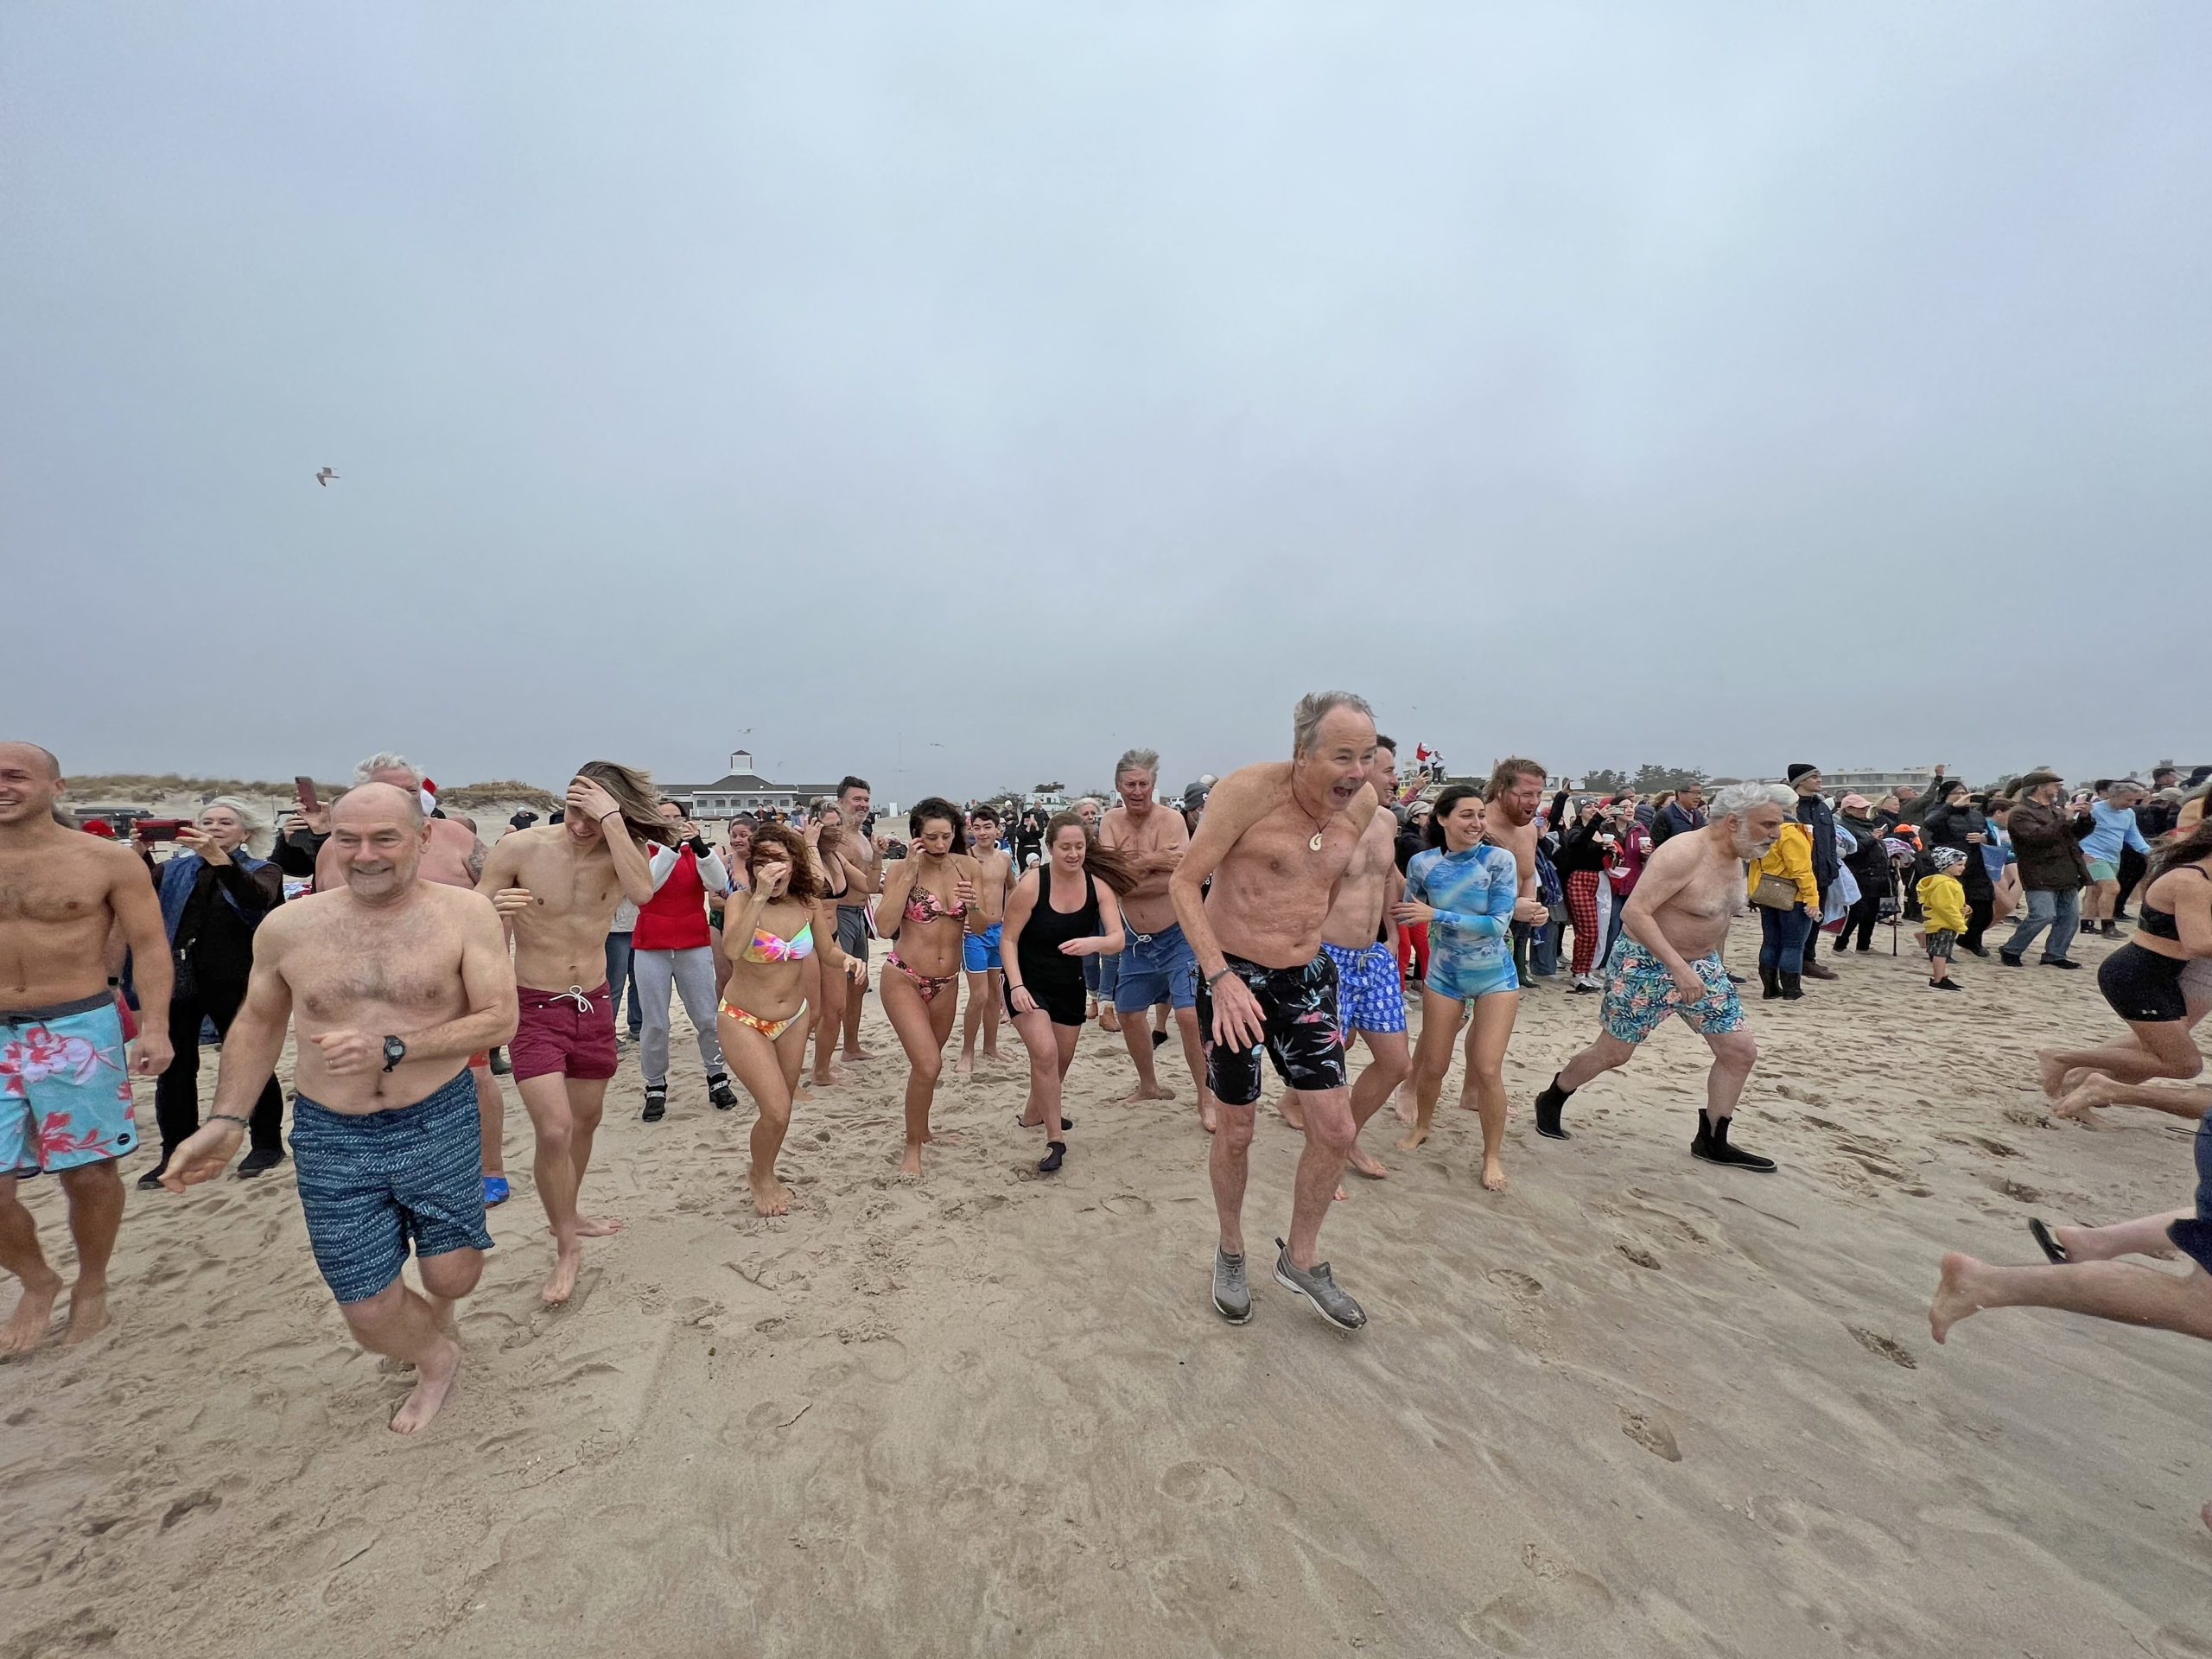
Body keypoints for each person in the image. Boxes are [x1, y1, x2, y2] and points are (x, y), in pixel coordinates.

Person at [159, 781, 516, 1433]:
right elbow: (257, 1023)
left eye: (385, 838)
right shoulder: (291, 926)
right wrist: (226, 1119)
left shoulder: (465, 914)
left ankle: (440, 1314)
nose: (365, 854)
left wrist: (396, 1045)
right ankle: (435, 1358)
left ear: (423, 837)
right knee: (369, 1313)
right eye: (348, 838)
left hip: (437, 1115)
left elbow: (499, 1018)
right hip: (330, 1131)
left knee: (454, 1275)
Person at [1173, 691, 1382, 1332]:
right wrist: (1220, 976)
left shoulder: (1364, 804)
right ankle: (1231, 1250)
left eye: (1368, 757)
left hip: (1307, 979)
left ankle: (1302, 1257)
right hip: (1233, 976)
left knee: (1337, 1130)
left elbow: (1328, 884)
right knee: (1237, 1130)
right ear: (1302, 753)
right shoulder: (1246, 793)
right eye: (1342, 756)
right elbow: (1185, 883)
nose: (1357, 772)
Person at [0, 743, 171, 1354]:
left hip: (76, 1027)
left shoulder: (104, 861)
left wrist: (154, 1027)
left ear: (55, 787)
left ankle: (92, 1285)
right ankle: (37, 1279)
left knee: (90, 1174)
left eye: (14, 776)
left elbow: (150, 947)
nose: (2, 787)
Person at [476, 763, 668, 1303]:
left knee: (586, 1121)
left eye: (596, 813)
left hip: (595, 1002)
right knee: (555, 1129)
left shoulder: (621, 852)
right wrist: (490, 908)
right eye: (576, 808)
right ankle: (566, 1246)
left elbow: (643, 894)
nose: (581, 824)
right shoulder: (521, 847)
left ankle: (570, 1210)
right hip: (534, 1004)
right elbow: (470, 917)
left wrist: (611, 821)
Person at [1531, 783, 1793, 1172]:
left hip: (1703, 967)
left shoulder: (1741, 852)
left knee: (1739, 1051)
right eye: (1769, 823)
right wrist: (1678, 967)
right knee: (1614, 1054)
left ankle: (1712, 1139)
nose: (1776, 833)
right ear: (1734, 821)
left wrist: (1709, 967)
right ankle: (1554, 1095)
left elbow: (1717, 918)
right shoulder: (1684, 852)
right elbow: (1634, 912)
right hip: (1646, 963)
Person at [302, 753, 514, 1205]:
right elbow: (321, 916)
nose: (403, 797)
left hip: (449, 987)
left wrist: (492, 962)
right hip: (366, 988)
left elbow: (497, 894)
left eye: (410, 790)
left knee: (474, 1077)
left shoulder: (455, 837)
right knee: (370, 1077)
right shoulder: (335, 851)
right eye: (391, 789)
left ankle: (490, 1166)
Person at [1393, 785, 1541, 1188]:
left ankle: (1492, 1156)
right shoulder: (1423, 864)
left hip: (1494, 974)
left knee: (1487, 1068)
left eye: (1481, 815)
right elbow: (1409, 911)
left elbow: (1497, 924)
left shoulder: (1498, 860)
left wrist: (1436, 913)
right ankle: (1422, 1125)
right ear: (1442, 819)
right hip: (1443, 974)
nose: (1477, 823)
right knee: (1434, 1063)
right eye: (1467, 815)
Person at [134, 798, 288, 1185]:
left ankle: (266, 1143)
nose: (214, 827)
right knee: (176, 1069)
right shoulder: (172, 870)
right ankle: (175, 1150)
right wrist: (138, 856)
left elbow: (257, 898)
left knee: (249, 1062)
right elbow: (134, 898)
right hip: (180, 978)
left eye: (225, 823)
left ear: (246, 833)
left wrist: (217, 857)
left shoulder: (263, 869)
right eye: (207, 821)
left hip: (237, 980)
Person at [1281, 736, 1411, 1189]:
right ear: (1361, 771)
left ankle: (1345, 1137)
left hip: (1372, 957)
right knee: (1331, 1061)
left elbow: (1387, 878)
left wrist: (1393, 935)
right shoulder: (1326, 822)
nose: (1397, 780)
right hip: (1328, 954)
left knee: (1396, 1063)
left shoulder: (1388, 821)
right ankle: (1328, 1148)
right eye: (1390, 771)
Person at [715, 823, 865, 1215]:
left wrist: (848, 959)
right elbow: (733, 949)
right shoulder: (740, 902)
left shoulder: (807, 904)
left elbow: (827, 950)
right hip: (743, 1018)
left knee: (782, 1110)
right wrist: (760, 896)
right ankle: (760, 1178)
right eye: (760, 860)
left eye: (778, 859)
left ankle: (764, 1169)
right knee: (777, 1108)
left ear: (794, 862)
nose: (769, 868)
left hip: (794, 1018)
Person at [2034, 817, 2212, 1098]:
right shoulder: (2192, 881)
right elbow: (2199, 944)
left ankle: (2077, 1087)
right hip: (2136, 978)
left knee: (2152, 1048)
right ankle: (2062, 1057)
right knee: (2185, 1065)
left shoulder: (2199, 877)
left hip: (2156, 976)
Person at [1001, 812, 1132, 1173]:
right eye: (1065, 848)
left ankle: (1034, 1115)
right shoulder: (1032, 884)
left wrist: (1095, 942)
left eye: (1079, 847)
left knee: (1059, 1062)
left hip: (1069, 986)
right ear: (1050, 848)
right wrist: (1016, 986)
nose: (1073, 854)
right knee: (1044, 1054)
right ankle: (1056, 1140)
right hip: (1028, 982)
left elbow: (1118, 938)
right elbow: (1008, 939)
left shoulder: (1098, 886)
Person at [1099, 749, 1217, 1128]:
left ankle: (1205, 1095)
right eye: (1130, 784)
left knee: (1186, 1015)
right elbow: (1114, 881)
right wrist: (1154, 862)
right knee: (1130, 1013)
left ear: (1154, 784)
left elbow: (1181, 877)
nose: (1137, 791)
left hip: (1178, 931)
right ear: (1118, 786)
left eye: (1144, 784)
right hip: (1134, 937)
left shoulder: (1170, 821)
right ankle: (1149, 1085)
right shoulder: (1110, 822)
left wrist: (1139, 867)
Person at [873, 798, 982, 1176]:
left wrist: (975, 906)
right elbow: (885, 927)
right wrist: (907, 875)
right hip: (904, 975)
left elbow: (982, 928)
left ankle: (923, 1128)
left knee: (928, 1069)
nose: (939, 844)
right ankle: (912, 1146)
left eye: (946, 836)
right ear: (916, 836)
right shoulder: (903, 868)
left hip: (948, 981)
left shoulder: (967, 867)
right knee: (928, 1063)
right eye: (931, 837)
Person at [632, 799, 738, 1122]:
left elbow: (719, 883)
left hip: (693, 943)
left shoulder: (697, 853)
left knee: (707, 1016)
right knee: (655, 1022)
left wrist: (700, 848)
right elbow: (648, 887)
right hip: (652, 945)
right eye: (664, 818)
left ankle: (717, 1076)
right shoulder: (643, 852)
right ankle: (655, 1085)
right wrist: (671, 849)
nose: (671, 822)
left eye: (677, 817)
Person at [1999, 770, 2090, 969]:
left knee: (2070, 917)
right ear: (2040, 787)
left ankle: (2055, 954)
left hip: (2066, 869)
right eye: (2055, 784)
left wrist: (2084, 818)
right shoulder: (2020, 813)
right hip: (2039, 870)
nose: (2059, 787)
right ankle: (2012, 949)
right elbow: (2037, 838)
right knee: (2043, 914)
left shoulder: (2055, 811)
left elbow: (2073, 836)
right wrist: (2065, 819)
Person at [825, 778, 882, 1065]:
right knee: (836, 990)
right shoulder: (835, 838)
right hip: (838, 914)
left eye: (866, 799)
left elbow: (870, 883)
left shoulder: (862, 838)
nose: (862, 805)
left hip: (861, 914)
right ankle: (824, 1060)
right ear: (840, 802)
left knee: (858, 985)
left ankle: (851, 1047)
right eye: (856, 799)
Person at [956, 804, 1013, 1078]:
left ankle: (990, 1047)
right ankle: (967, 1051)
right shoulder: (964, 858)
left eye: (987, 827)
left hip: (998, 930)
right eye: (976, 827)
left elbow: (1012, 886)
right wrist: (960, 918)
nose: (982, 832)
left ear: (997, 829)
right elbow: (950, 890)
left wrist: (1011, 918)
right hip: (974, 934)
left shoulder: (1003, 859)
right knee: (978, 995)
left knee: (993, 995)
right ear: (970, 829)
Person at [1480, 760, 1548, 990]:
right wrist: (1510, 907)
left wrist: (1531, 908)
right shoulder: (1475, 827)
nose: (1535, 802)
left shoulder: (1529, 830)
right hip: (1470, 940)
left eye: (1539, 793)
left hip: (1510, 934)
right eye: (1527, 794)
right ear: (1501, 791)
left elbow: (1527, 874)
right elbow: (1453, 890)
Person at [801, 803, 855, 1087]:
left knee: (836, 1009)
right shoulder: (799, 851)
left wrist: (879, 858)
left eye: (838, 825)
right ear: (814, 825)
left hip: (831, 938)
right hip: (804, 942)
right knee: (811, 1014)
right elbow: (813, 884)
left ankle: (821, 1070)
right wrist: (810, 844)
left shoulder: (836, 857)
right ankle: (784, 1073)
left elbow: (869, 885)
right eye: (828, 825)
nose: (834, 831)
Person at [1748, 807, 1821, 1001]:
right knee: (1793, 944)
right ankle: (1792, 990)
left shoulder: (1759, 831)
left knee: (1770, 942)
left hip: (1766, 892)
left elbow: (1753, 863)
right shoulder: (1790, 833)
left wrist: (1753, 892)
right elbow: (1802, 870)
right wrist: (1812, 899)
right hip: (1793, 895)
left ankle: (1770, 988)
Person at [1921, 780, 1997, 956]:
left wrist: (1985, 839)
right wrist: (1951, 807)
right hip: (1949, 867)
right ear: (1945, 796)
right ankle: (1939, 952)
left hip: (1977, 865)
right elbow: (1930, 825)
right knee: (1948, 910)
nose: (1962, 797)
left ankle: (1969, 940)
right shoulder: (1938, 811)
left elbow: (1992, 836)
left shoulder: (1976, 815)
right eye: (1957, 793)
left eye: (1964, 793)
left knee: (1984, 910)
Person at [1786, 765, 1840, 981]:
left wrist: (1832, 865)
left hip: (1823, 872)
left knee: (1816, 919)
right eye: (1814, 777)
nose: (1819, 780)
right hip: (1797, 875)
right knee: (1796, 921)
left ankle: (1809, 960)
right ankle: (1794, 962)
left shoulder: (1822, 806)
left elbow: (1830, 838)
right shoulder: (1791, 807)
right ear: (1800, 781)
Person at [2081, 779, 2152, 938]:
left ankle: (2087, 923)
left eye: (2135, 800)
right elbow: (2076, 829)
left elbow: (2133, 836)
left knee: (2096, 891)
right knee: (2112, 888)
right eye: (2128, 800)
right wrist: (2080, 851)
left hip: (2113, 856)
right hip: (2093, 855)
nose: (2132, 803)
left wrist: (2149, 851)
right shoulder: (2094, 810)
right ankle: (2108, 926)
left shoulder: (2128, 813)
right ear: (2114, 796)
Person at [1834, 794, 1891, 953]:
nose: (1865, 810)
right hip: (1859, 873)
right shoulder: (1844, 826)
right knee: (1858, 910)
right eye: (1860, 808)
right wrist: (1872, 839)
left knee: (1872, 910)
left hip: (1875, 873)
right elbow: (1851, 851)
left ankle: (1863, 946)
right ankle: (1840, 945)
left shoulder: (1866, 825)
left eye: (1865, 807)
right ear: (1848, 809)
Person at [1917, 848, 1969, 991]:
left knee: (1943, 951)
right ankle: (1938, 979)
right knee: (1941, 952)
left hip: (1945, 922)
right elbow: (1945, 907)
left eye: (1963, 865)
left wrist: (1966, 909)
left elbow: (1954, 903)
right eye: (1959, 865)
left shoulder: (1950, 882)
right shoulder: (1944, 884)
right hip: (1943, 924)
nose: (1963, 868)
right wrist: (1959, 924)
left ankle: (1941, 977)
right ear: (1946, 865)